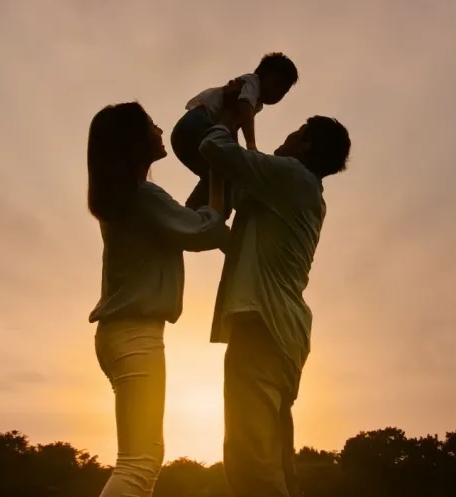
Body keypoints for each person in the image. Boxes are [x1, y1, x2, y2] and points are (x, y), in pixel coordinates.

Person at [196, 107, 351, 497]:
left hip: (261, 325)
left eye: (297, 132)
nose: (288, 137)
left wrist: (225, 114)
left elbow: (213, 147)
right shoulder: (296, 190)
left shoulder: (290, 176)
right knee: (275, 455)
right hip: (283, 331)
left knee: (251, 460)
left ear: (308, 144)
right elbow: (241, 243)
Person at [86, 101, 230, 497]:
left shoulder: (130, 199)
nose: (159, 128)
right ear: (134, 140)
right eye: (151, 124)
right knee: (138, 463)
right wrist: (219, 166)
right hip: (136, 335)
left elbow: (185, 220)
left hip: (121, 335)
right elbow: (206, 231)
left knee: (141, 458)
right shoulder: (142, 196)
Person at [171, 52, 300, 214]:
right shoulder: (252, 82)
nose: (278, 94)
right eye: (277, 86)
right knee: (227, 176)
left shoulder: (256, 102)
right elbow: (245, 110)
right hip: (197, 124)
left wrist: (235, 150)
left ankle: (194, 213)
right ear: (264, 75)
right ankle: (201, 214)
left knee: (221, 177)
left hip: (189, 134)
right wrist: (250, 145)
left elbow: (230, 128)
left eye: (283, 92)